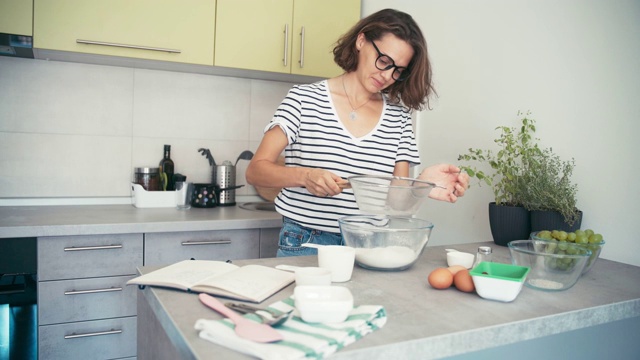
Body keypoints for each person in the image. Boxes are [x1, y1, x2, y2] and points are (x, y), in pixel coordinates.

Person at [246, 9, 469, 257]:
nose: (387, 76)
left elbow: (396, 204)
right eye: (384, 61)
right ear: (361, 41)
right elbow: (256, 171)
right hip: (306, 243)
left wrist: (422, 184)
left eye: (398, 70)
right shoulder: (303, 99)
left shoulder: (399, 118)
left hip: (370, 245)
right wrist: (305, 176)